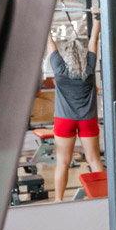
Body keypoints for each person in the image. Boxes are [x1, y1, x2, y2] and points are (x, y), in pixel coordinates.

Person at [45, 17, 104, 201]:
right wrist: (97, 18)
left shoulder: (60, 70)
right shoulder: (89, 69)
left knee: (62, 162)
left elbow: (49, 41)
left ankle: (58, 201)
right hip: (87, 119)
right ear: (84, 54)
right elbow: (94, 39)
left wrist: (44, 17)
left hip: (64, 120)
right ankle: (103, 198)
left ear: (65, 56)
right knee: (94, 159)